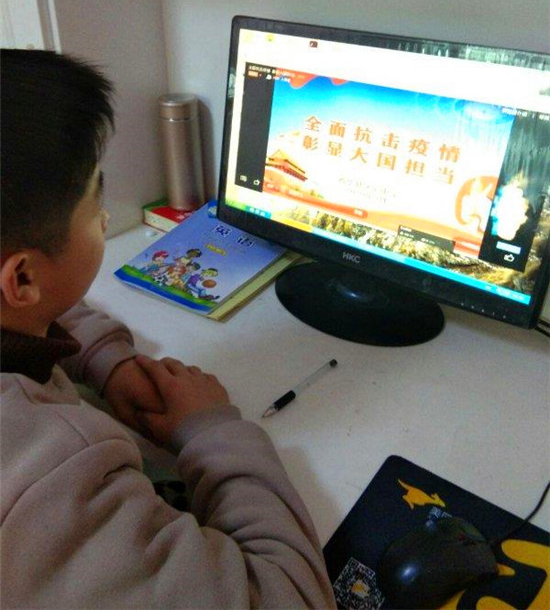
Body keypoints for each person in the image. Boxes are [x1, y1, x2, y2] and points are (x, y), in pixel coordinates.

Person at [0, 49, 336, 609]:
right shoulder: (44, 471)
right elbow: (290, 598)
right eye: (95, 206)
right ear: (23, 277)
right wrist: (212, 433)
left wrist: (108, 362)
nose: (106, 219)